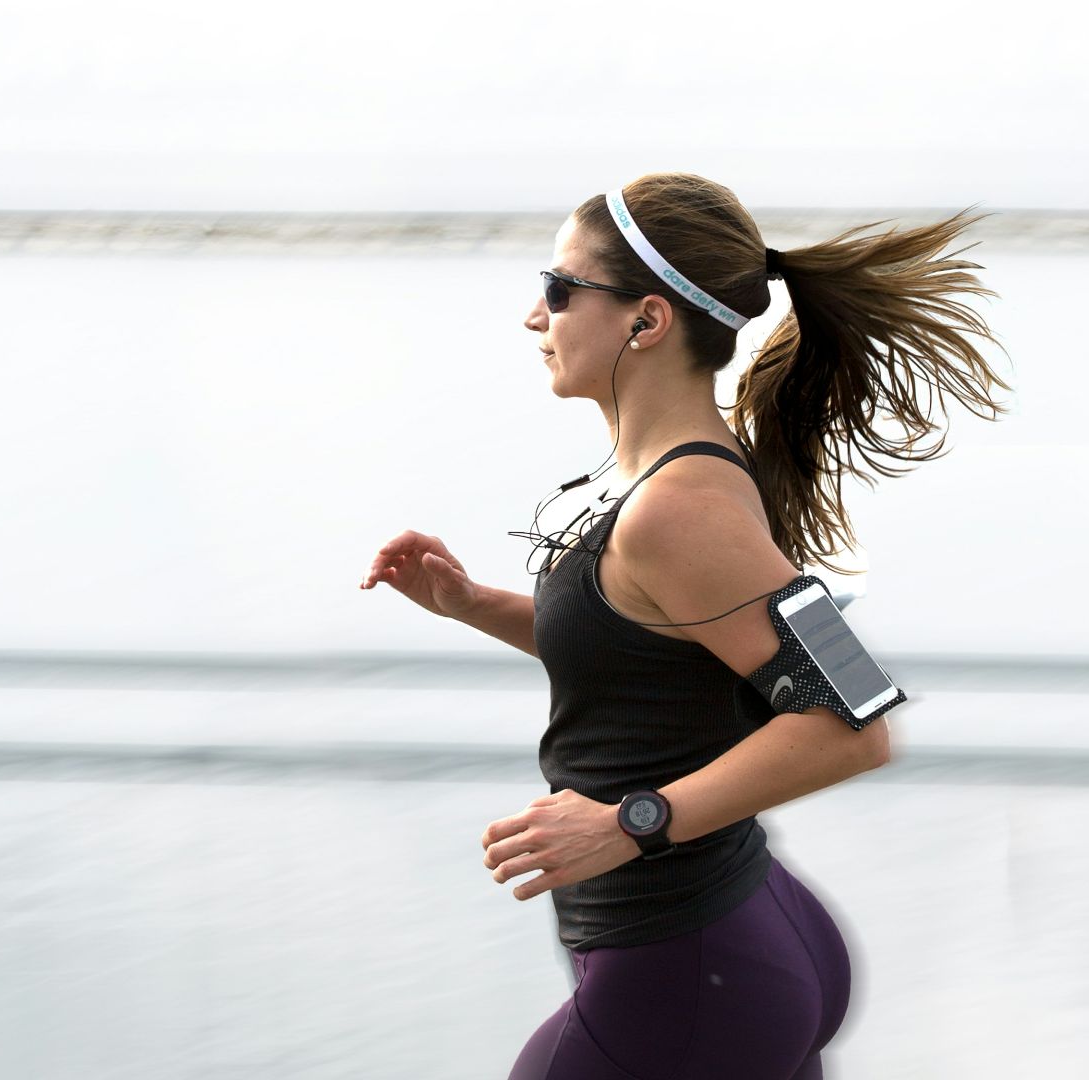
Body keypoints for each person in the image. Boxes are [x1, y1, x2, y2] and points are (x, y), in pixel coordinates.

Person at [360, 172, 1008, 1079]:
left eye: (558, 288)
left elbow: (855, 726)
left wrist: (630, 821)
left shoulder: (681, 507)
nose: (534, 317)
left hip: (689, 971)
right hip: (732, 946)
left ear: (646, 320)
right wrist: (474, 605)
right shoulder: (683, 480)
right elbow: (654, 652)